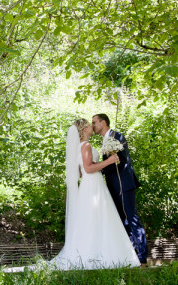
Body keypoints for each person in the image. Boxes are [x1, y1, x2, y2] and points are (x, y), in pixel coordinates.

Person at [46, 118, 141, 270]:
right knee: (100, 217)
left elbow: (82, 170)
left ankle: (98, 252)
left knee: (95, 218)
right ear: (84, 130)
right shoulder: (86, 145)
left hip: (91, 184)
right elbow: (88, 169)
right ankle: (102, 255)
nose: (91, 127)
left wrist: (96, 166)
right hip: (93, 185)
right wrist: (110, 161)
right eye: (89, 125)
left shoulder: (80, 146)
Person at [92, 113, 148, 266]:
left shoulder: (117, 136)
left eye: (94, 122)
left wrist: (97, 170)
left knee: (132, 219)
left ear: (103, 123)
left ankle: (143, 258)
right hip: (114, 186)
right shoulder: (105, 140)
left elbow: (122, 161)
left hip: (124, 184)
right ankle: (133, 256)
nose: (92, 126)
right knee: (123, 221)